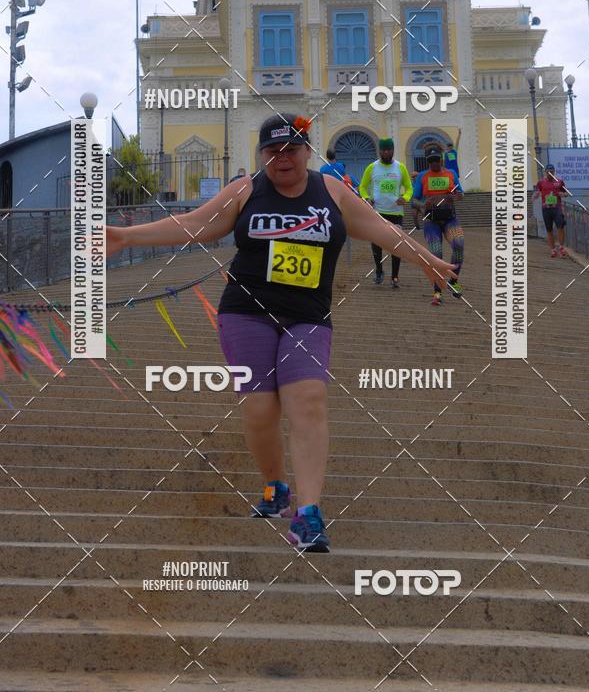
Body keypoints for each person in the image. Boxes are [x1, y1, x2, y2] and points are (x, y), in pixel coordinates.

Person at [106, 113, 456, 553]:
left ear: (307, 151)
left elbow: (383, 230)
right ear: (262, 155)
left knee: (306, 400)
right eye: (272, 151)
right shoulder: (245, 190)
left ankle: (308, 515)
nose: (282, 158)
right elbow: (192, 225)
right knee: (259, 408)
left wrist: (428, 261)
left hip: (308, 316)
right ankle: (276, 485)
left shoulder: (331, 192)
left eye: (291, 149)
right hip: (245, 313)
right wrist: (124, 236)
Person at [359, 138, 413, 289]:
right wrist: (366, 198)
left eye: (389, 149)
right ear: (379, 151)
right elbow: (362, 187)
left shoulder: (400, 168)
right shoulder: (372, 167)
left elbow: (409, 188)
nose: (386, 152)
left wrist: (406, 198)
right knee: (376, 243)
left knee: (397, 245)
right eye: (383, 150)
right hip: (377, 212)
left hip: (396, 213)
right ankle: (379, 270)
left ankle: (395, 277)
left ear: (393, 150)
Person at [412, 149, 464, 306]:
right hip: (431, 220)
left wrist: (454, 196)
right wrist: (422, 205)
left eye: (437, 160)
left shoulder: (451, 174)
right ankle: (437, 292)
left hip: (450, 218)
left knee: (459, 245)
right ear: (428, 162)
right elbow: (414, 200)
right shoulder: (422, 176)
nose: (434, 163)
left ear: (442, 160)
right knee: (436, 254)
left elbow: (460, 194)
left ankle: (453, 281)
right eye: (431, 160)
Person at [533, 164, 568, 258]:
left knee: (560, 226)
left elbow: (566, 193)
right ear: (545, 172)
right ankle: (553, 249)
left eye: (552, 172)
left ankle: (561, 247)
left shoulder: (559, 181)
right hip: (546, 209)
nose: (550, 173)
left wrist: (563, 194)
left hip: (557, 208)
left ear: (554, 172)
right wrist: (536, 194)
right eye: (548, 172)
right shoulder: (541, 182)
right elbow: (537, 191)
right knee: (549, 230)